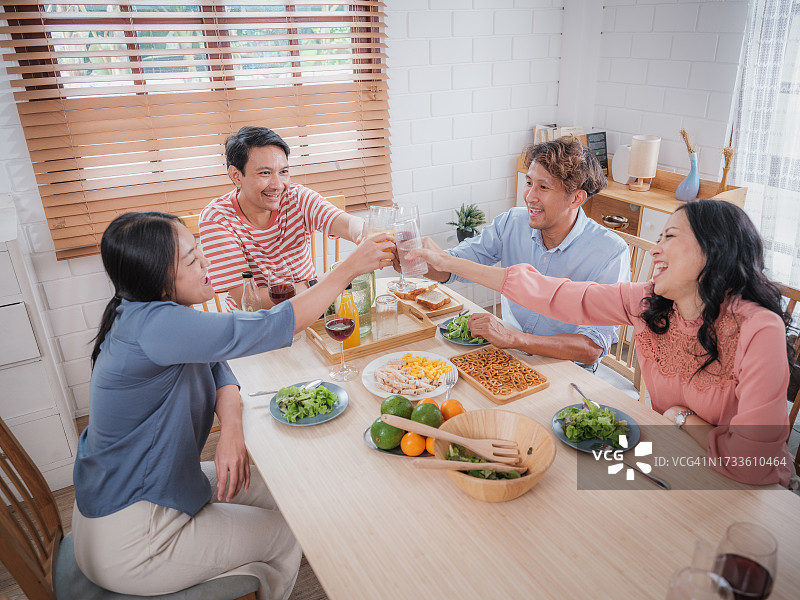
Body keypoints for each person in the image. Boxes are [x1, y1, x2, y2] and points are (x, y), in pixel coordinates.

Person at [72, 211, 394, 598]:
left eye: (198, 249)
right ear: (157, 280)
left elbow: (216, 363)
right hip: (135, 534)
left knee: (287, 494)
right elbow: (273, 324)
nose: (205, 261)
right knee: (288, 533)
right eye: (191, 259)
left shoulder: (144, 312)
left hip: (149, 489)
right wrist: (345, 270)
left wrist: (232, 430)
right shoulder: (158, 327)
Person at [409, 199, 791, 486]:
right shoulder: (647, 303)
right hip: (675, 462)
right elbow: (551, 293)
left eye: (669, 237)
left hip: (746, 493)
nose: (655, 250)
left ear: (715, 249)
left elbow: (751, 461)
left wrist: (679, 417)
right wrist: (449, 262)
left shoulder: (758, 329)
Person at [422, 138, 630, 370]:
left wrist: (512, 339)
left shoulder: (610, 252)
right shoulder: (512, 222)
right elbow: (453, 266)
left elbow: (591, 348)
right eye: (528, 182)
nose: (530, 196)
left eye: (543, 187)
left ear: (576, 198)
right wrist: (416, 261)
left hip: (565, 367)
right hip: (509, 354)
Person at [200, 126, 365, 311]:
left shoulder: (297, 197)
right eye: (265, 173)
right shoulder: (216, 219)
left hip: (309, 310)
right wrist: (316, 284)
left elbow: (349, 224)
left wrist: (367, 235)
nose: (278, 185)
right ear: (236, 176)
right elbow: (250, 301)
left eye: (283, 172)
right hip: (258, 324)